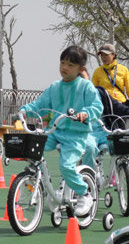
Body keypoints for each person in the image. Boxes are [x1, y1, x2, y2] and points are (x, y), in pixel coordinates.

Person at [18, 45, 103, 216]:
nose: (64, 67)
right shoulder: (54, 87)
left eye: (70, 65)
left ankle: (84, 193)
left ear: (81, 69)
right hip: (54, 132)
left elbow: (97, 106)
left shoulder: (86, 86)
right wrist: (24, 110)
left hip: (76, 135)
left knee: (66, 166)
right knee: (32, 149)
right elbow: (39, 104)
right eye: (62, 63)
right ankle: (48, 188)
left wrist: (86, 113)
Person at [91, 44, 129, 114]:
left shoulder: (123, 70)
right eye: (102, 55)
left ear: (113, 55)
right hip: (105, 106)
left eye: (106, 55)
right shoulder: (97, 71)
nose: (103, 57)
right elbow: (93, 92)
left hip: (121, 105)